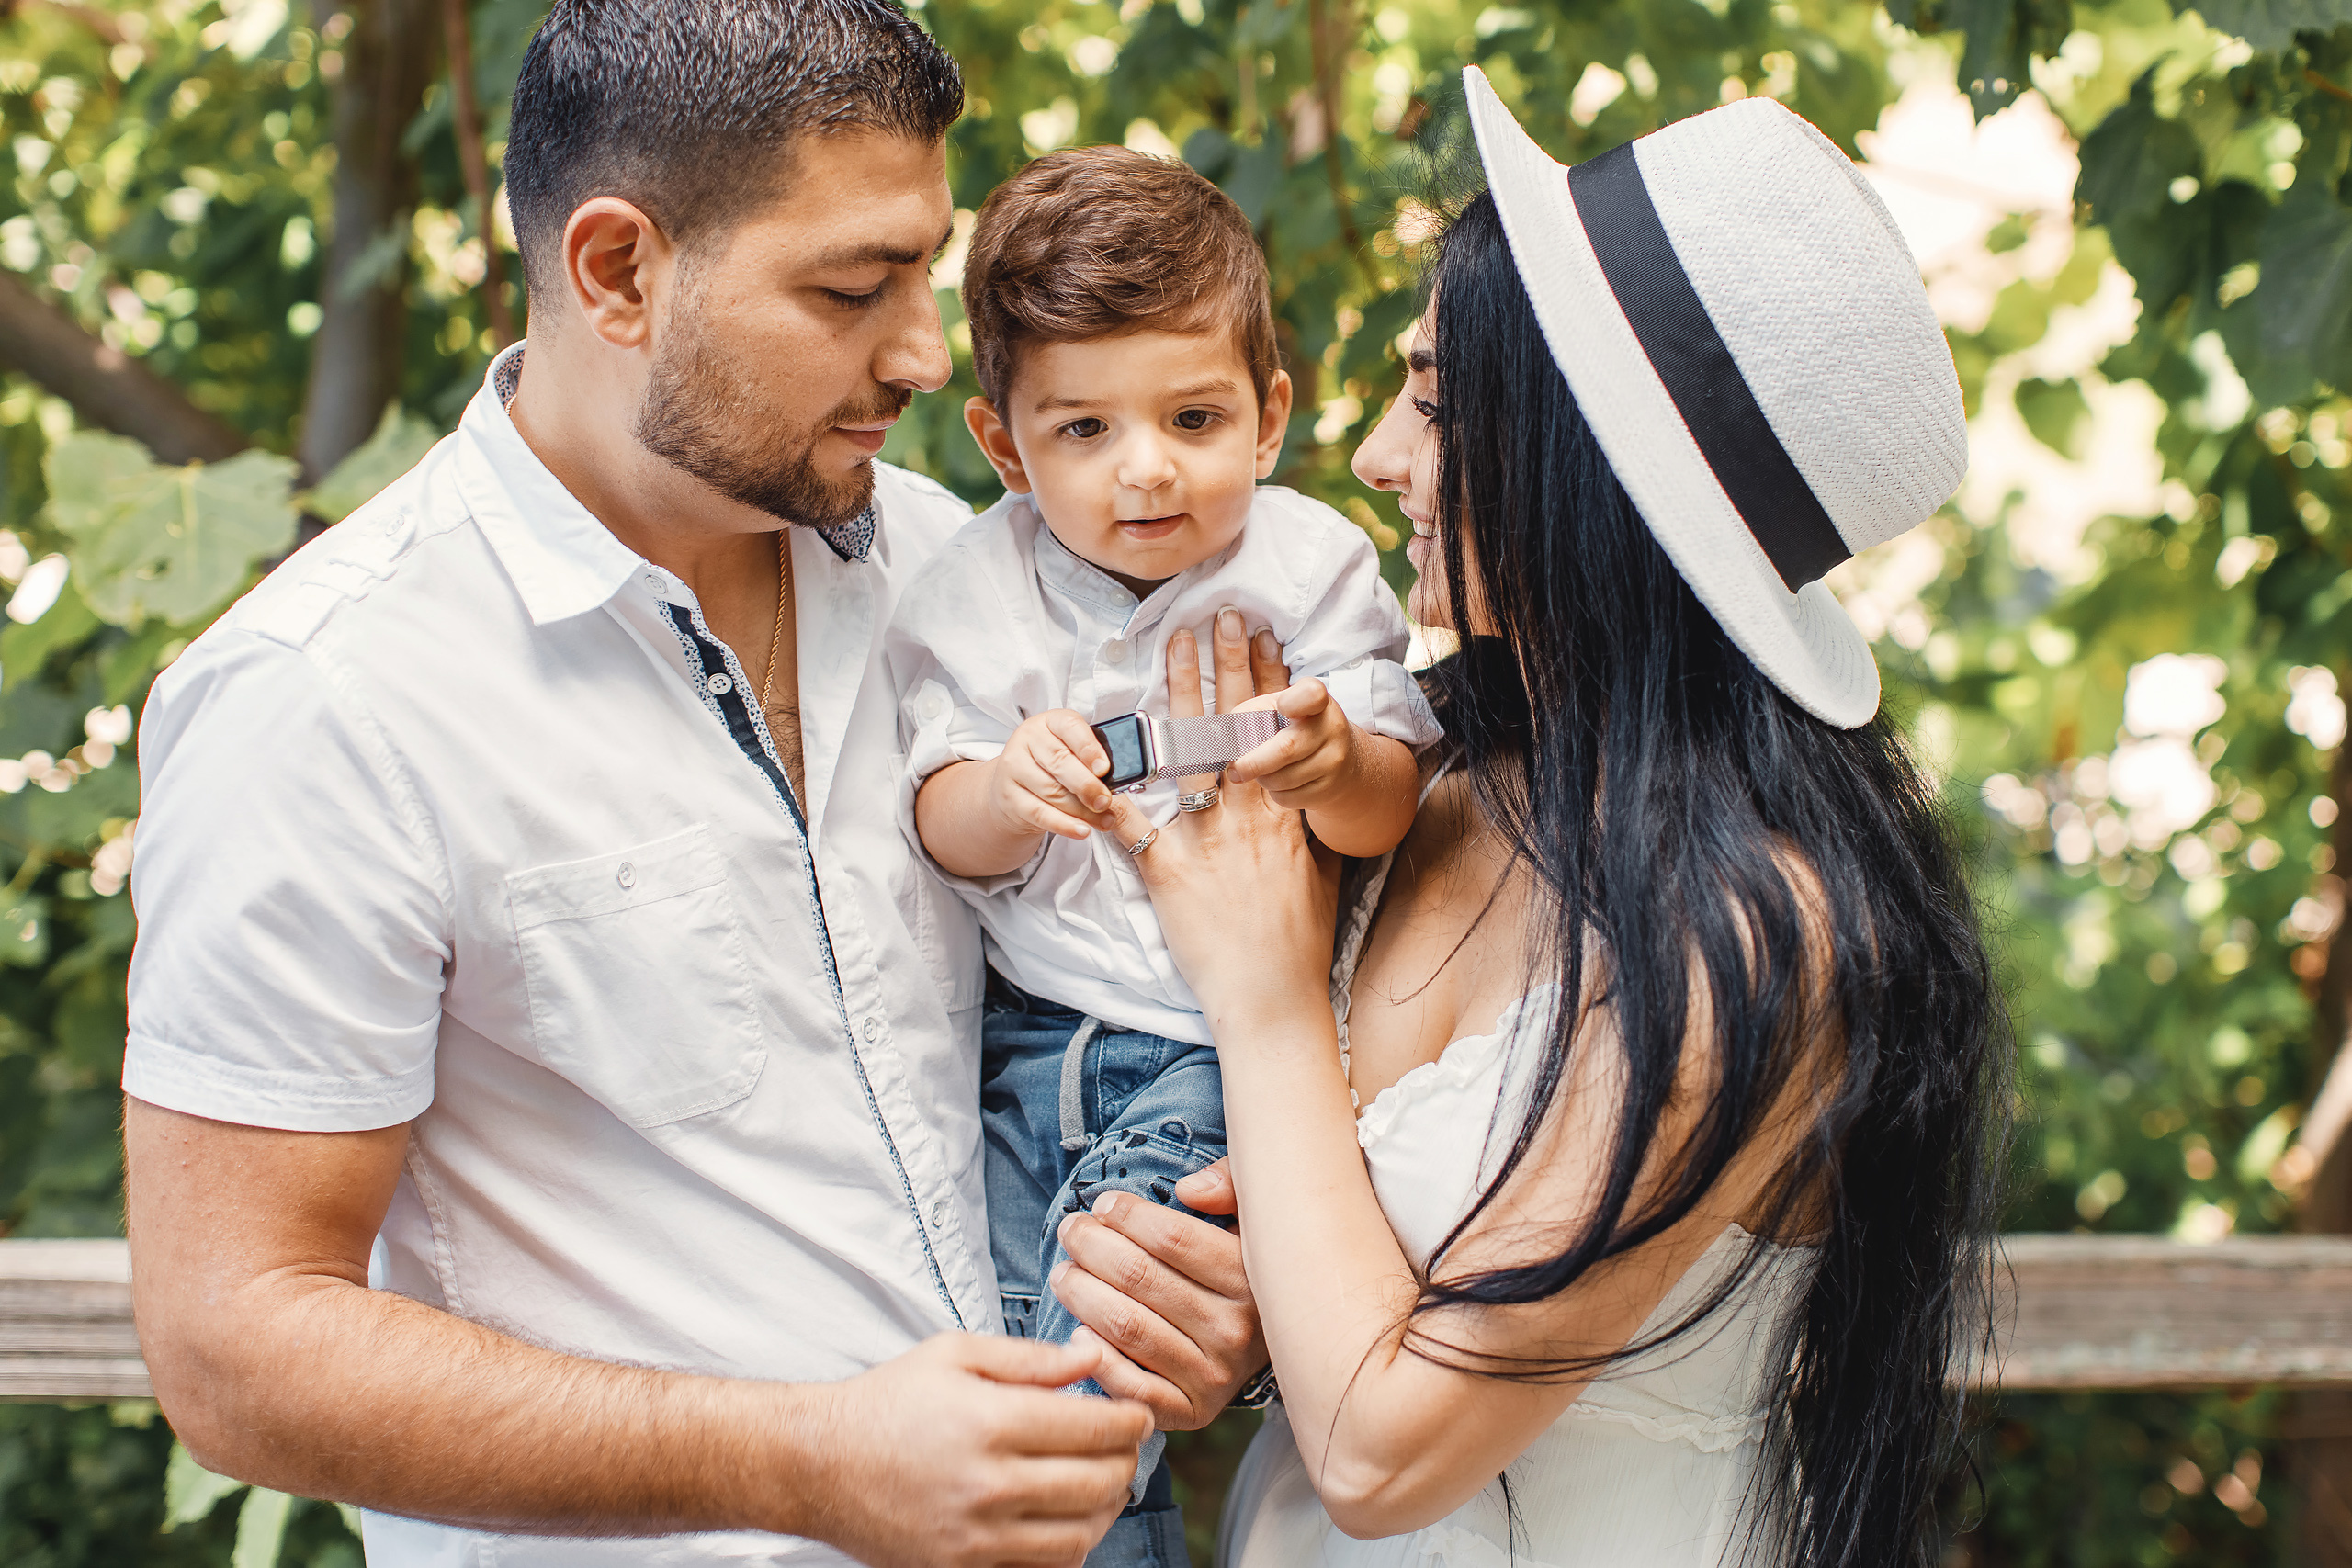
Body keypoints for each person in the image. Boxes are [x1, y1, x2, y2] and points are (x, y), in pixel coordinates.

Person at [118, 6, 1262, 1565]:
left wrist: (1204, 1287)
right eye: (853, 289)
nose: (925, 352)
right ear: (617, 273)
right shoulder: (323, 697)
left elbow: (1113, 1014)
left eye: (927, 268)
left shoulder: (972, 565)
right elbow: (237, 1350)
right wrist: (803, 1462)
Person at [1093, 70, 2009, 1568]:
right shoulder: (1432, 776)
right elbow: (1356, 1301)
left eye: (1439, 404)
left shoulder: (1753, 938)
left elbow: (1387, 1455)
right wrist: (1234, 1317)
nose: (1379, 455)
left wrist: (1259, 995)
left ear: (1592, 471)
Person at [884, 145, 1438, 1560]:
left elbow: (1394, 807)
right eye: (1083, 433)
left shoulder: (1308, 567)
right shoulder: (971, 589)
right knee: (1024, 1369)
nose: (1148, 471)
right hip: (1023, 1053)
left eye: (1194, 416)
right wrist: (1007, 788)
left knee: (1080, 1387)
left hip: (1201, 1051)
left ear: (1268, 415)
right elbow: (941, 826)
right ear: (1003, 447)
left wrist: (1333, 762)